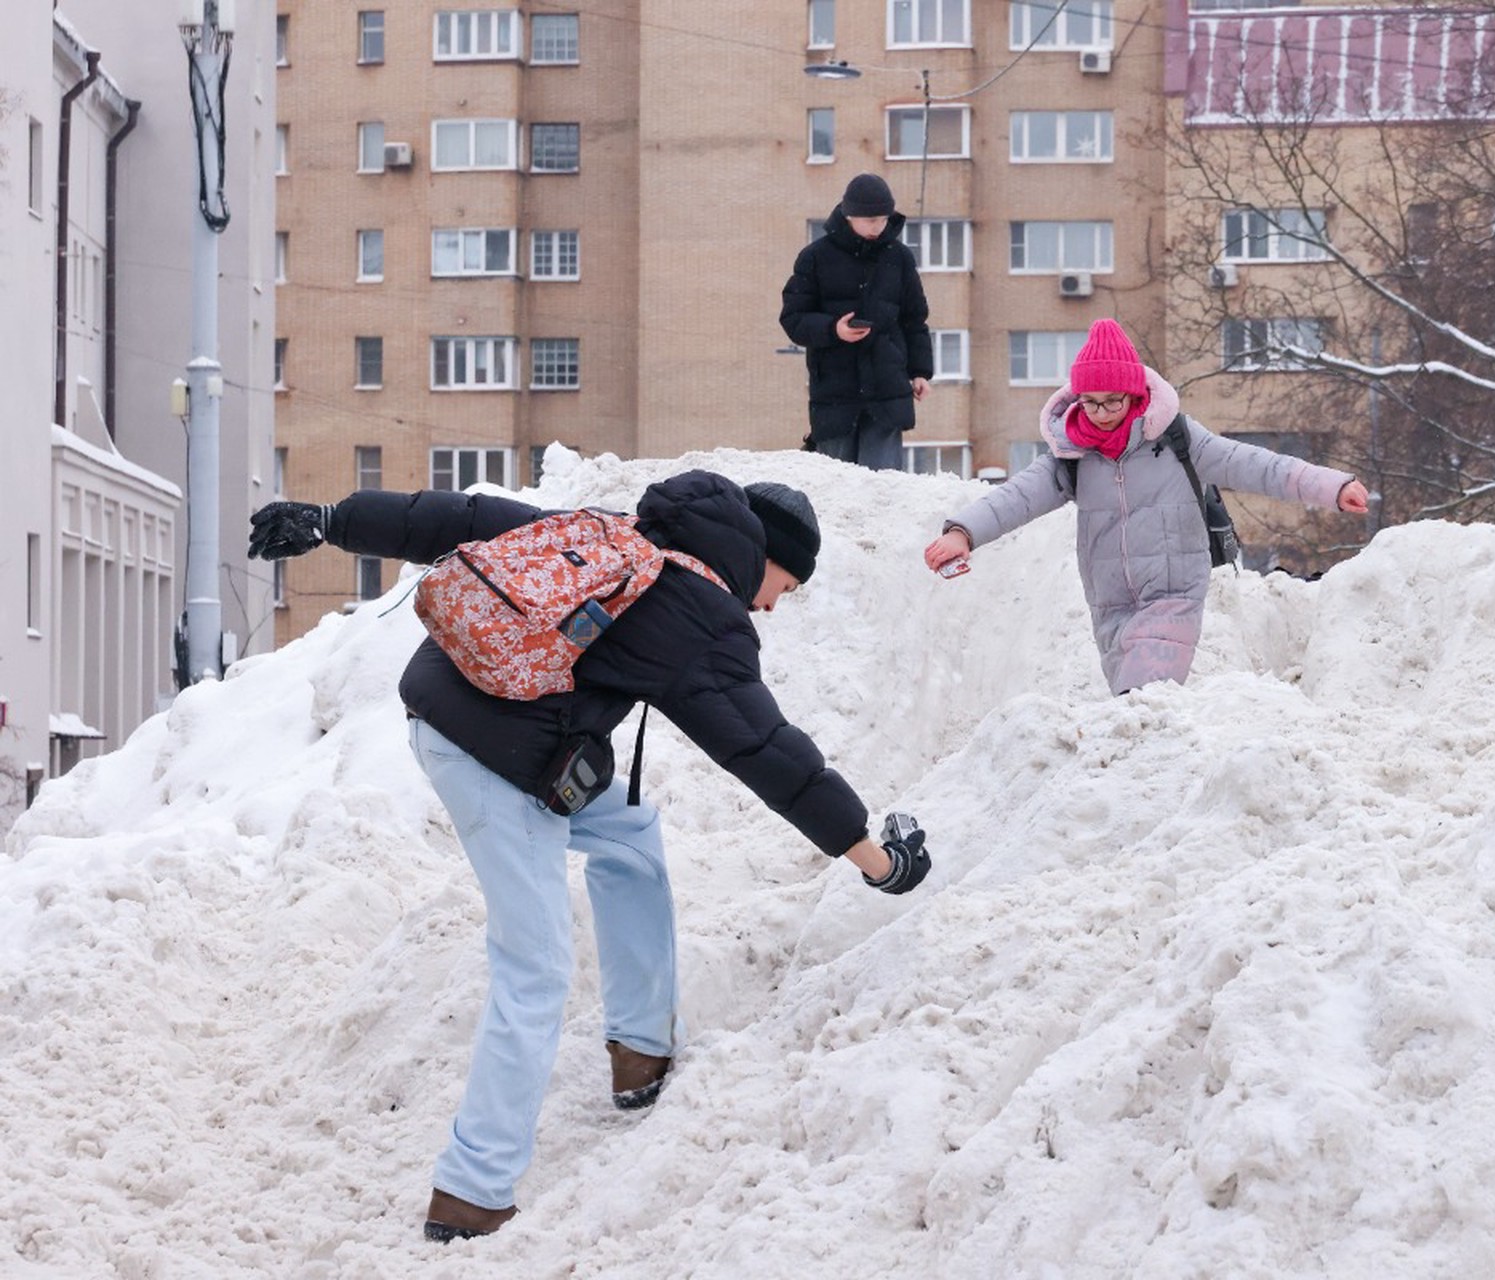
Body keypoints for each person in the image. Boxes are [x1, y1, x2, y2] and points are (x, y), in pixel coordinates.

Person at [246, 470, 932, 1242]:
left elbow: (462, 517)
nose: (775, 603)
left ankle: (640, 1046)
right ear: (761, 555)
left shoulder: (619, 532)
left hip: (460, 706)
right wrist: (876, 859)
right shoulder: (704, 615)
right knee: (534, 967)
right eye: (786, 584)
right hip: (496, 759)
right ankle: (472, 1192)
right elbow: (766, 751)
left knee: (627, 833)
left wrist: (331, 515)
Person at [923, 318, 1371, 695]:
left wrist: (1332, 486)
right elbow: (1016, 497)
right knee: (1133, 715)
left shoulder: (1177, 440)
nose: (1100, 413)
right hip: (1110, 603)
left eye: (1112, 401)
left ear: (1134, 395)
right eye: (1091, 402)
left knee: (1145, 696)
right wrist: (962, 533)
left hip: (1173, 595)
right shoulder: (1072, 456)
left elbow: (1255, 465)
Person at [780, 172, 934, 470]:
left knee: (884, 488)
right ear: (849, 216)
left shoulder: (899, 258)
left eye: (883, 219)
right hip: (835, 395)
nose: (878, 227)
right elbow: (793, 318)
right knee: (836, 487)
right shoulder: (815, 257)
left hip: (887, 390)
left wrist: (920, 372)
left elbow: (915, 320)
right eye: (870, 220)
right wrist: (833, 329)